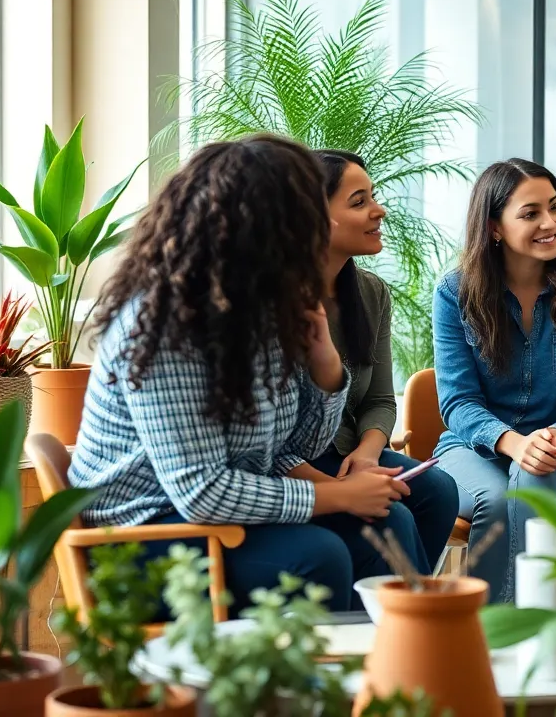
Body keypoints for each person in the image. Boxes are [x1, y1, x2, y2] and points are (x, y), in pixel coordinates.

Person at [70, 135, 409, 613]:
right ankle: (315, 685)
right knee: (319, 556)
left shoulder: (260, 306)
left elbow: (293, 447)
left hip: (216, 514)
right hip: (146, 535)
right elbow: (202, 492)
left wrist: (326, 368)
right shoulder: (167, 327)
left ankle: (385, 676)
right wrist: (337, 496)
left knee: (386, 527)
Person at [433, 158, 556, 603]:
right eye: (530, 213)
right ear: (494, 227)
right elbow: (457, 402)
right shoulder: (454, 292)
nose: (550, 222)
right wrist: (513, 442)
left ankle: (501, 631)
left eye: (555, 207)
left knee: (533, 475)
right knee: (502, 494)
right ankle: (529, 625)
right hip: (471, 452)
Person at [303, 149, 459, 576]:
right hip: (300, 465)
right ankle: (394, 620)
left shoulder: (371, 293)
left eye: (373, 196)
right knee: (394, 518)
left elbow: (379, 399)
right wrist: (341, 487)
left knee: (439, 491)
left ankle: (402, 604)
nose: (379, 210)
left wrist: (370, 453)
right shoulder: (279, 301)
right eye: (359, 201)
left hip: (354, 453)